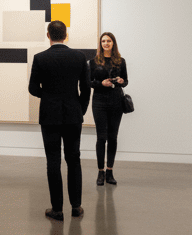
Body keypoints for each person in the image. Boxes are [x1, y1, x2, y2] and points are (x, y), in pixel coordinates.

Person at [29, 20, 92, 221]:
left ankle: (57, 209)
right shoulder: (79, 57)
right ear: (66, 35)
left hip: (49, 116)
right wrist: (80, 109)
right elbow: (86, 87)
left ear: (48, 35)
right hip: (73, 115)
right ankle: (76, 206)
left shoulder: (40, 58)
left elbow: (32, 88)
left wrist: (48, 97)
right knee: (74, 159)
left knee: (53, 161)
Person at [89, 32, 129, 186]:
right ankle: (100, 172)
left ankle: (110, 171)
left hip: (116, 102)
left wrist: (121, 81)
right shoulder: (93, 62)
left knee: (113, 137)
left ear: (113, 43)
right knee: (101, 138)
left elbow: (126, 81)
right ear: (100, 44)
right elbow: (89, 82)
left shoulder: (121, 61)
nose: (106, 43)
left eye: (109, 41)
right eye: (103, 41)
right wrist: (101, 84)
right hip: (99, 102)